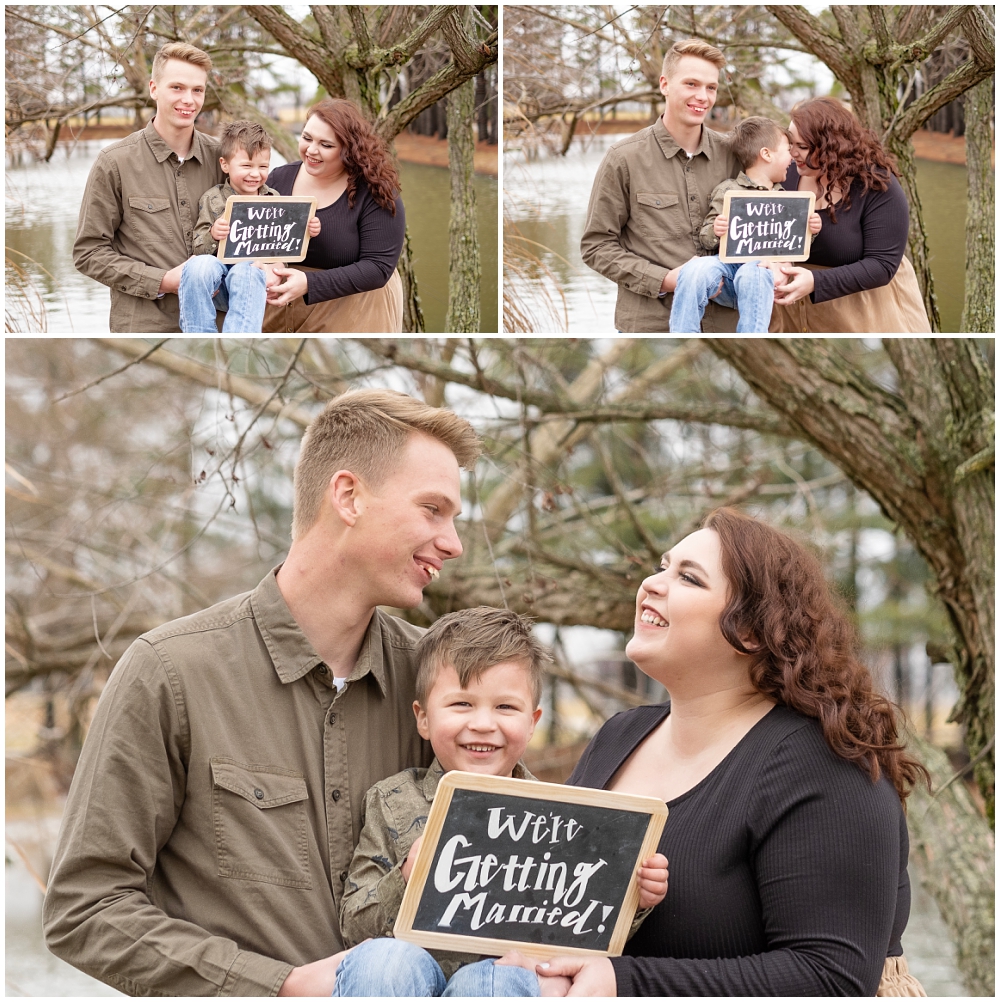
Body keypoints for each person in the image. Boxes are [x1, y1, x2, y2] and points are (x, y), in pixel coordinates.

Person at [42, 389, 482, 997]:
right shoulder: (170, 673)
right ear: (348, 496)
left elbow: (523, 868)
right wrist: (280, 985)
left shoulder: (444, 683)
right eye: (433, 509)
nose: (454, 542)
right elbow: (85, 910)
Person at [532, 507, 928, 997]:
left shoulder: (822, 765)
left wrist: (624, 984)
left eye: (688, 578)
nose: (652, 584)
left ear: (752, 631)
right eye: (661, 566)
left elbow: (831, 978)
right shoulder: (618, 736)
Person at [334, 607, 669, 997]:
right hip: (404, 973)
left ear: (532, 721)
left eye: (505, 707)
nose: (482, 723)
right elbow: (353, 926)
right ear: (423, 718)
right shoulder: (392, 800)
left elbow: (582, 932)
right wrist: (407, 875)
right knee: (384, 960)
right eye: (461, 704)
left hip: (502, 979)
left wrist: (635, 895)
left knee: (495, 981)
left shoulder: (558, 818)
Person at [580, 39, 741, 333]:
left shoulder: (736, 156)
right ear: (665, 84)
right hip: (654, 325)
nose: (702, 97)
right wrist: (667, 280)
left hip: (728, 325)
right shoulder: (623, 158)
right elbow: (596, 247)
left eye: (711, 87)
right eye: (691, 84)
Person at [73, 42, 225, 333]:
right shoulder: (114, 162)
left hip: (218, 324)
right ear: (154, 89)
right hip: (145, 326)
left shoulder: (223, 160)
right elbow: (88, 252)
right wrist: (164, 281)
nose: (189, 100)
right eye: (177, 88)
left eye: (197, 90)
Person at [768, 96, 932, 332]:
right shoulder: (786, 173)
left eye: (802, 147)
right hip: (795, 314)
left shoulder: (876, 184)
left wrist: (816, 281)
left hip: (866, 312)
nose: (792, 153)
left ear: (833, 146)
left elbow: (882, 265)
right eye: (790, 144)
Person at [262, 99, 406, 333]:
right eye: (306, 138)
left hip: (356, 307)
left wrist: (309, 283)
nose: (311, 150)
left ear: (349, 150)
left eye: (326, 145)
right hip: (283, 302)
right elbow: (257, 238)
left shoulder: (375, 191)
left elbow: (378, 268)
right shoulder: (277, 179)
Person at [670, 116, 822, 333]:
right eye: (788, 150)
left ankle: (752, 335)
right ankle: (683, 332)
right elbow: (706, 237)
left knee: (753, 270)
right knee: (696, 267)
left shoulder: (785, 197)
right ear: (766, 154)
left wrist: (811, 229)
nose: (792, 157)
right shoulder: (728, 191)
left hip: (760, 274)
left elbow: (793, 242)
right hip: (727, 271)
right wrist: (716, 229)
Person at [179, 120, 322, 333]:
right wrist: (213, 233)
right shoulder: (213, 199)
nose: (255, 174)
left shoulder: (273, 198)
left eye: (263, 167)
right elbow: (198, 246)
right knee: (197, 266)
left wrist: (307, 230)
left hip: (251, 281)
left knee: (246, 270)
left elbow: (284, 243)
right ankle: (198, 333)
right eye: (246, 166)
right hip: (217, 281)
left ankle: (240, 336)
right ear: (225, 164)